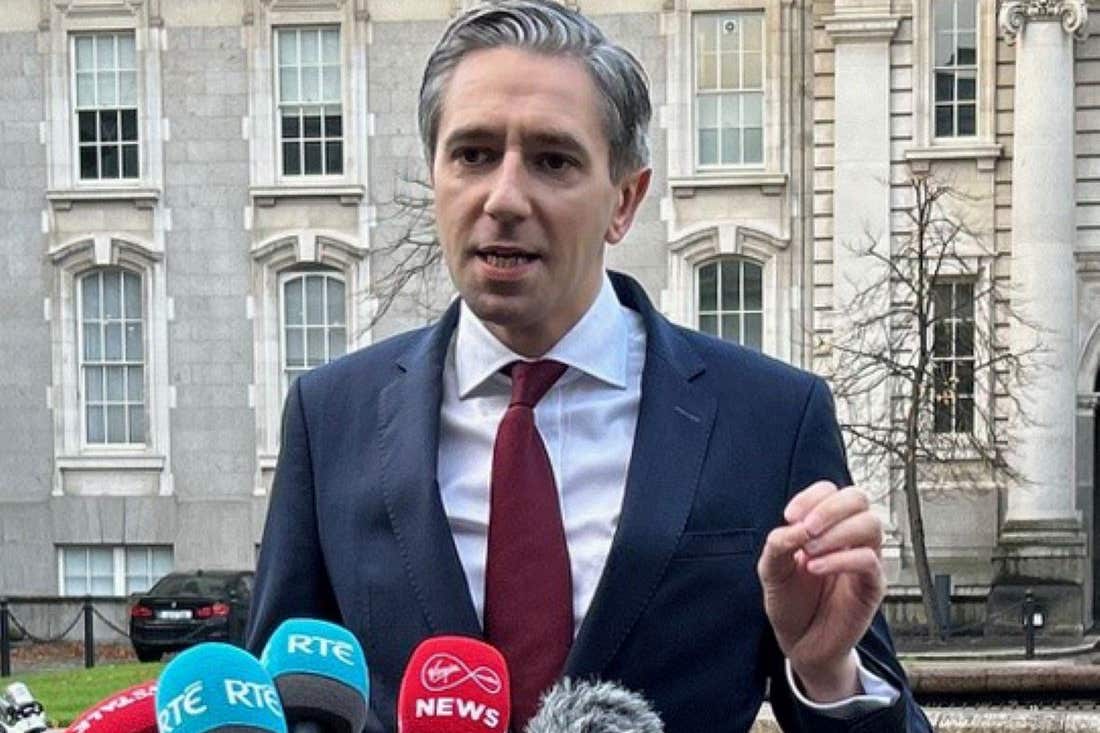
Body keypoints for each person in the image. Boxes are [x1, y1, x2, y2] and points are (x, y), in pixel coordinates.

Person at [246, 2, 932, 731]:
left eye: (553, 160)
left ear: (624, 201)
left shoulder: (769, 419)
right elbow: (280, 704)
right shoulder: (331, 417)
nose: (504, 198)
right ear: (435, 178)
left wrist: (825, 671)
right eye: (473, 154)